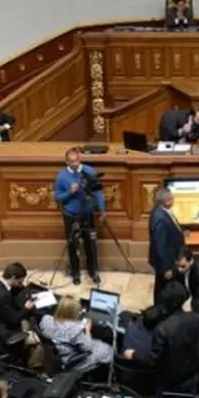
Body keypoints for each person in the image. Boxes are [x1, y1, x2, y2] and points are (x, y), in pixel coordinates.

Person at [124, 282, 199, 395]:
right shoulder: (197, 319)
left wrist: (133, 354)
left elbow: (152, 360)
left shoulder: (162, 330)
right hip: (192, 377)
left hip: (169, 383)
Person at [53, 148, 106, 285]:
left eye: (76, 160)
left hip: (87, 214)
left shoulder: (89, 171)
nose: (75, 164)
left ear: (80, 159)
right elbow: (57, 197)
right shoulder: (61, 176)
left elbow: (98, 191)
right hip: (70, 215)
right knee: (73, 245)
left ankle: (93, 271)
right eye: (71, 162)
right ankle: (75, 273)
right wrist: (70, 192)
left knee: (90, 244)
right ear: (66, 162)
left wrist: (101, 209)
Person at [38, 295, 113, 375]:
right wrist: (87, 330)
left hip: (55, 354)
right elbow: (88, 348)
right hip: (71, 359)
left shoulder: (46, 320)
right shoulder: (75, 330)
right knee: (108, 349)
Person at [148, 188, 185, 305]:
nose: (174, 200)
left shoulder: (161, 211)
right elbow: (159, 245)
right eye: (172, 198)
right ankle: (163, 311)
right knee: (165, 289)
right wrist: (166, 268)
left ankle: (161, 310)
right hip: (167, 262)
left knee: (162, 287)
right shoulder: (160, 219)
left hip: (169, 259)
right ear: (167, 201)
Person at [0, 262, 35, 344]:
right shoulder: (4, 296)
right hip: (4, 333)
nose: (21, 284)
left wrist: (19, 287)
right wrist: (26, 308)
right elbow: (14, 319)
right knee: (34, 337)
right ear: (13, 277)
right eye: (20, 282)